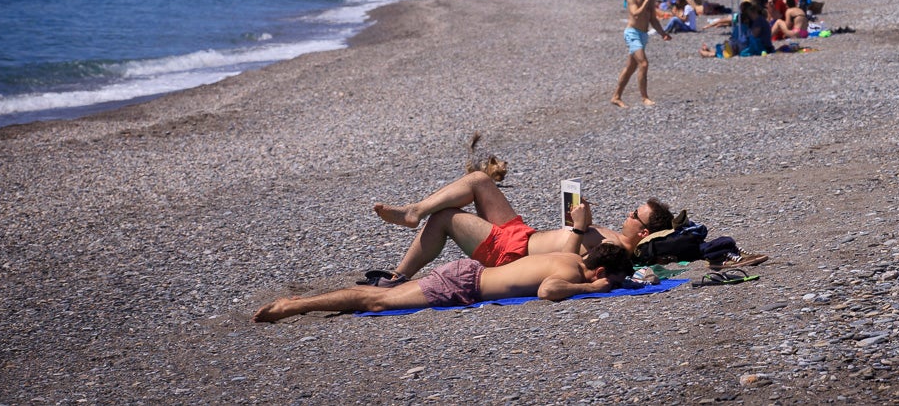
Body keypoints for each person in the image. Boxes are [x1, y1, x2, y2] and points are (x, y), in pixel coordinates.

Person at [371, 172, 673, 284]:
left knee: (445, 217)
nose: (628, 213)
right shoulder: (615, 238)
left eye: (635, 214)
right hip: (524, 234)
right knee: (479, 180)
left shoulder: (617, 252)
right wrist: (578, 220)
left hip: (512, 253)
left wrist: (579, 230)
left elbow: (571, 266)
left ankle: (399, 275)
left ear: (643, 232)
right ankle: (415, 211)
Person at [253, 241, 634, 322]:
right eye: (612, 281)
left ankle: (302, 301)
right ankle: (291, 306)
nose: (612, 286)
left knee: (374, 294)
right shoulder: (572, 274)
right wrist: (592, 289)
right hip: (464, 286)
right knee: (376, 302)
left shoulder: (570, 256)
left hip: (467, 275)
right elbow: (547, 291)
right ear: (599, 272)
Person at [613, 0, 671, 107]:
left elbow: (652, 18)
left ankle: (616, 97)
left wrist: (663, 33)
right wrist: (645, 0)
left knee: (630, 68)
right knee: (643, 64)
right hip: (632, 33)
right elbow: (635, 14)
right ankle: (645, 98)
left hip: (643, 35)